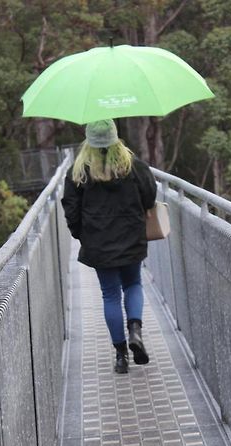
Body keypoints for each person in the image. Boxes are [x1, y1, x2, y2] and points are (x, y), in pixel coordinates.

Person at [61, 119, 157, 374]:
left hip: (99, 243)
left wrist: (82, 235)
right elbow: (150, 195)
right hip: (131, 236)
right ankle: (135, 329)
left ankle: (121, 356)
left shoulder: (77, 172)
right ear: (116, 137)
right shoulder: (133, 166)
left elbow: (71, 210)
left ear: (88, 141)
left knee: (110, 294)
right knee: (133, 284)